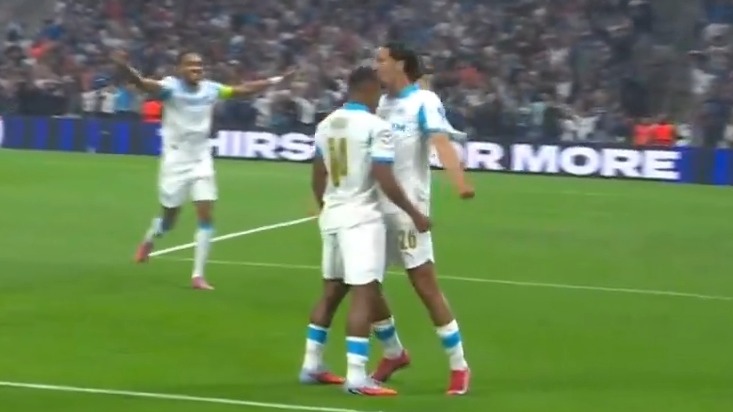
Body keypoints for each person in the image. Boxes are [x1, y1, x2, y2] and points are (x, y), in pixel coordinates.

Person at [112, 50, 294, 290]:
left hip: (201, 159)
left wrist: (276, 80)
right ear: (179, 69)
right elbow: (143, 84)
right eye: (191, 65)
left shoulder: (211, 89)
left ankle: (198, 275)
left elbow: (242, 90)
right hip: (176, 160)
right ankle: (150, 239)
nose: (196, 69)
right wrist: (124, 67)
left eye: (199, 65)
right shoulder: (170, 88)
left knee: (206, 214)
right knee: (169, 219)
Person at [303, 66, 430, 396]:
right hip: (361, 220)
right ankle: (357, 377)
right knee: (365, 293)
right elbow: (384, 177)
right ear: (370, 89)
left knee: (331, 292)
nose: (381, 98)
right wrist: (414, 213)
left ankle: (311, 364)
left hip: (332, 215)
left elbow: (317, 176)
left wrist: (326, 206)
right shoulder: (376, 126)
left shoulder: (326, 124)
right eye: (380, 91)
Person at [369, 42, 475, 395]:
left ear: (400, 64)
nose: (376, 65)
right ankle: (393, 352)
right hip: (373, 209)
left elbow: (440, 142)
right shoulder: (381, 104)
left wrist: (460, 182)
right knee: (365, 285)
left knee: (425, 286)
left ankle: (459, 366)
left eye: (381, 60)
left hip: (408, 211)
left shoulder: (424, 101)